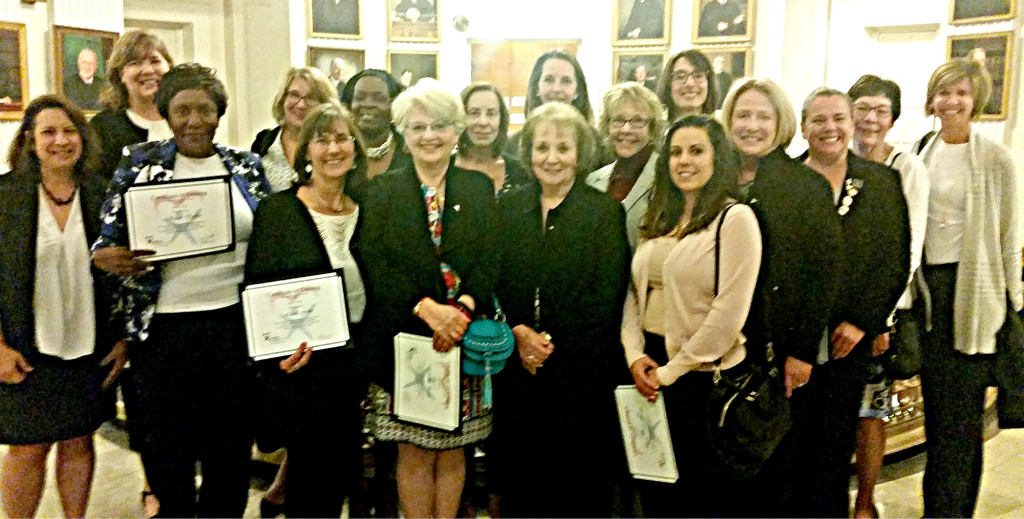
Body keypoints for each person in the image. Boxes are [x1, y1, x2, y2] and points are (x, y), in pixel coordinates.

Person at [91, 63, 270, 518]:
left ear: (219, 114)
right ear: (166, 115)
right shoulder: (139, 161)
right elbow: (104, 242)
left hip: (233, 330)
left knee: (228, 457)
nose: (193, 120)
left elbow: (272, 243)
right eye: (182, 110)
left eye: (204, 110)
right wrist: (110, 257)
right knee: (167, 457)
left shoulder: (246, 167)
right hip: (161, 334)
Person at [358, 79, 496, 519]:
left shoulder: (477, 187)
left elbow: (490, 258)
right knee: (414, 453)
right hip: (405, 338)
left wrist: (462, 310)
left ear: (456, 131)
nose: (429, 136)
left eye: (439, 125)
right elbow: (373, 260)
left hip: (463, 336)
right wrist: (426, 309)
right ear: (403, 132)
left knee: (454, 453)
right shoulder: (381, 190)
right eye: (418, 127)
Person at [490, 102, 630, 517]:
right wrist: (517, 334)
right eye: (542, 146)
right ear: (528, 151)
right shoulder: (508, 206)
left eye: (563, 148)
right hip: (517, 369)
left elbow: (607, 294)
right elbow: (495, 279)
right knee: (523, 488)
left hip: (580, 375)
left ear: (580, 154)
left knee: (576, 490)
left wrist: (548, 347)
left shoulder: (603, 212)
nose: (552, 158)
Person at [623, 114, 761, 517]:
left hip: (701, 380)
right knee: (658, 496)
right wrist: (634, 353)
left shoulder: (735, 219)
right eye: (676, 152)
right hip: (648, 367)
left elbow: (728, 314)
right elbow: (634, 293)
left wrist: (672, 372)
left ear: (717, 158)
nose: (685, 161)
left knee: (701, 499)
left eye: (697, 151)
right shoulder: (660, 216)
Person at [719, 77, 843, 515]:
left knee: (776, 469)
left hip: (780, 351)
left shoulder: (805, 186)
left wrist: (803, 352)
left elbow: (822, 273)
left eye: (762, 116)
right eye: (743, 115)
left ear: (780, 124)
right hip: (717, 346)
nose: (752, 126)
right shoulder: (713, 179)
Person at [0, 95, 124, 519]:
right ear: (30, 141)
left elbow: (126, 274)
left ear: (83, 138)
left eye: (69, 130)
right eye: (48, 132)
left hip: (90, 345)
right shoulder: (5, 197)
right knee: (26, 449)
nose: (60, 140)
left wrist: (124, 338)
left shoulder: (104, 193)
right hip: (23, 350)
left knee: (79, 440)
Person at [245, 102, 368, 518]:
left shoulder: (368, 210)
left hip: (354, 366)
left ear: (355, 147)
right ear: (306, 152)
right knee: (310, 482)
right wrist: (276, 354)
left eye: (341, 138)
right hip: (303, 366)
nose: (332, 148)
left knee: (340, 477)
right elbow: (259, 288)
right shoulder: (279, 210)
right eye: (322, 139)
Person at [911, 59, 1021, 518]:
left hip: (975, 293)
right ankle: (935, 506)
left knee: (962, 421)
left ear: (976, 99)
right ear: (932, 99)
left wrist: (1014, 303)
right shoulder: (919, 150)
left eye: (962, 92)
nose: (952, 101)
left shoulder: (996, 157)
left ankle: (954, 513)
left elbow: (1009, 236)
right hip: (928, 295)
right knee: (934, 417)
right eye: (944, 92)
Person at [795, 87, 910, 518]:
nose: (830, 128)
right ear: (804, 127)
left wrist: (863, 322)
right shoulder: (785, 179)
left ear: (850, 123)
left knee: (834, 446)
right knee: (791, 445)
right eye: (819, 120)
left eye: (838, 118)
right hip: (795, 342)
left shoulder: (881, 181)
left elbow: (895, 258)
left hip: (850, 341)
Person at [846, 74, 930, 519]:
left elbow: (908, 248)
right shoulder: (833, 160)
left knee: (870, 410)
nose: (870, 118)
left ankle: (864, 502)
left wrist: (881, 317)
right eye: (862, 107)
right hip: (835, 309)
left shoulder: (907, 168)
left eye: (880, 110)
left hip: (880, 310)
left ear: (893, 117)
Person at [587, 82, 667, 248]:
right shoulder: (592, 181)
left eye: (638, 121)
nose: (626, 129)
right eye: (618, 120)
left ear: (652, 128)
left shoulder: (667, 177)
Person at [89, 30, 174, 181]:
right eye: (135, 63)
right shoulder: (102, 127)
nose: (148, 70)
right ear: (120, 74)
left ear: (169, 67)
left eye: (155, 61)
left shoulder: (186, 121)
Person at [505, 50, 611, 167]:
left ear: (577, 90)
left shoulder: (598, 144)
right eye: (549, 80)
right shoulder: (511, 145)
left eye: (566, 81)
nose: (556, 89)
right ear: (536, 88)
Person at [251, 67, 339, 193]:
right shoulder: (263, 141)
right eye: (294, 95)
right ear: (282, 99)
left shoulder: (334, 146)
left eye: (311, 97)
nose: (301, 104)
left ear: (325, 104)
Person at [454, 82, 530, 197]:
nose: (483, 122)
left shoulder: (520, 172)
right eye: (474, 113)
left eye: (491, 113)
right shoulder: (445, 170)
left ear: (501, 119)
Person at [340, 69, 412, 186]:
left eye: (379, 99)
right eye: (359, 97)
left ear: (393, 105)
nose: (368, 104)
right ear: (349, 106)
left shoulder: (411, 152)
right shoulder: (339, 152)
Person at [655, 49, 718, 122]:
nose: (690, 83)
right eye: (680, 76)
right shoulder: (654, 132)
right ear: (668, 84)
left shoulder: (721, 132)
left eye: (698, 75)